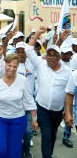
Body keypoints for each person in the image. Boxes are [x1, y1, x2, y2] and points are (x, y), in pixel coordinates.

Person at [26, 26, 72, 158]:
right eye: (48, 55)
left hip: (58, 110)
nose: (50, 58)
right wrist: (38, 33)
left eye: (54, 55)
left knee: (52, 135)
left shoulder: (67, 71)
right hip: (42, 108)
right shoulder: (41, 65)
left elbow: (69, 92)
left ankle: (49, 154)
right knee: (46, 135)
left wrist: (67, 111)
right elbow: (28, 49)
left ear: (59, 58)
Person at [0, 54, 38, 158]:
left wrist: (34, 119)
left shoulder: (23, 80)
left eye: (15, 66)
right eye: (9, 65)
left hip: (18, 119)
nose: (12, 69)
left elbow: (29, 101)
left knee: (14, 151)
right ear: (4, 64)